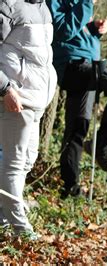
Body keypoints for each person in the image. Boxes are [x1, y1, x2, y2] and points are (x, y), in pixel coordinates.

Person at [46, 0, 107, 198]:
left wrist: (95, 30)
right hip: (74, 65)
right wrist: (86, 4)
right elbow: (62, 30)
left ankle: (71, 188)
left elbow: (78, 30)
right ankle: (100, 148)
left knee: (78, 125)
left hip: (89, 63)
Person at [0, 0, 57, 239]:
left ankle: (3, 219)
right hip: (16, 99)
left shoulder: (44, 7)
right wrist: (5, 89)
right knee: (14, 164)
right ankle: (21, 229)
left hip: (37, 100)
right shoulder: (8, 6)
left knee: (26, 162)